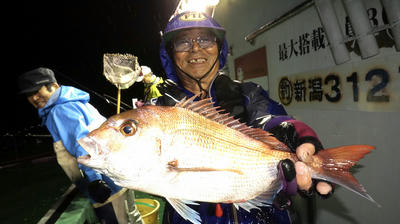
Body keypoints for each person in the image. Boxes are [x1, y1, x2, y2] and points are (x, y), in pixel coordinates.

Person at [150, 11, 334, 224]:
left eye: (205, 39)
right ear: (171, 53)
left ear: (219, 48)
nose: (195, 48)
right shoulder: (159, 111)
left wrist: (294, 133)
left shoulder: (247, 93)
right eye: (183, 42)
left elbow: (267, 117)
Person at [17, 67, 143, 224]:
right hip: (117, 176)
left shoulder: (59, 110)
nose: (34, 97)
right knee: (132, 218)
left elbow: (82, 144)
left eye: (37, 90)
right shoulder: (77, 102)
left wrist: (95, 180)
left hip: (106, 184)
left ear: (54, 87)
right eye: (29, 94)